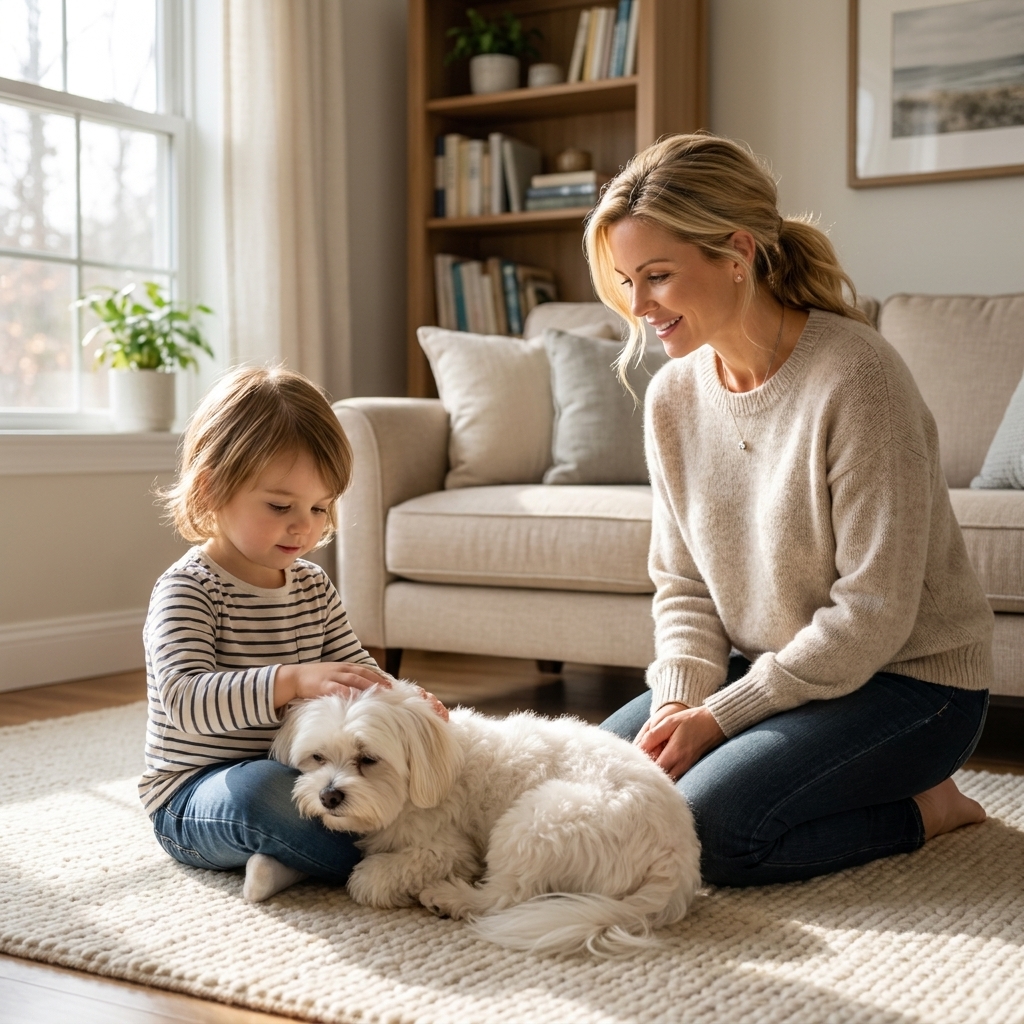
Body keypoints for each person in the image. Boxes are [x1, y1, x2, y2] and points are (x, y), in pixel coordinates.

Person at [587, 133, 993, 886]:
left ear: (736, 252)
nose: (638, 308)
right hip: (768, 669)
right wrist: (681, 698)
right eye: (626, 280)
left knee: (711, 831)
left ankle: (929, 806)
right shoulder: (674, 396)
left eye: (658, 277)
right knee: (593, 791)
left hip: (910, 685)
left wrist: (723, 719)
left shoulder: (858, 377)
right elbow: (683, 584)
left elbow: (872, 611)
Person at [141, 365, 445, 902]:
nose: (303, 526)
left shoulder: (311, 585)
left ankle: (297, 859)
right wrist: (290, 681)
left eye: (319, 507)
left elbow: (357, 676)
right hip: (197, 795)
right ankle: (387, 856)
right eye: (280, 506)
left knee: (399, 787)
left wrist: (407, 703)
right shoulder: (188, 589)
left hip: (301, 773)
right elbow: (185, 700)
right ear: (212, 488)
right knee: (261, 796)